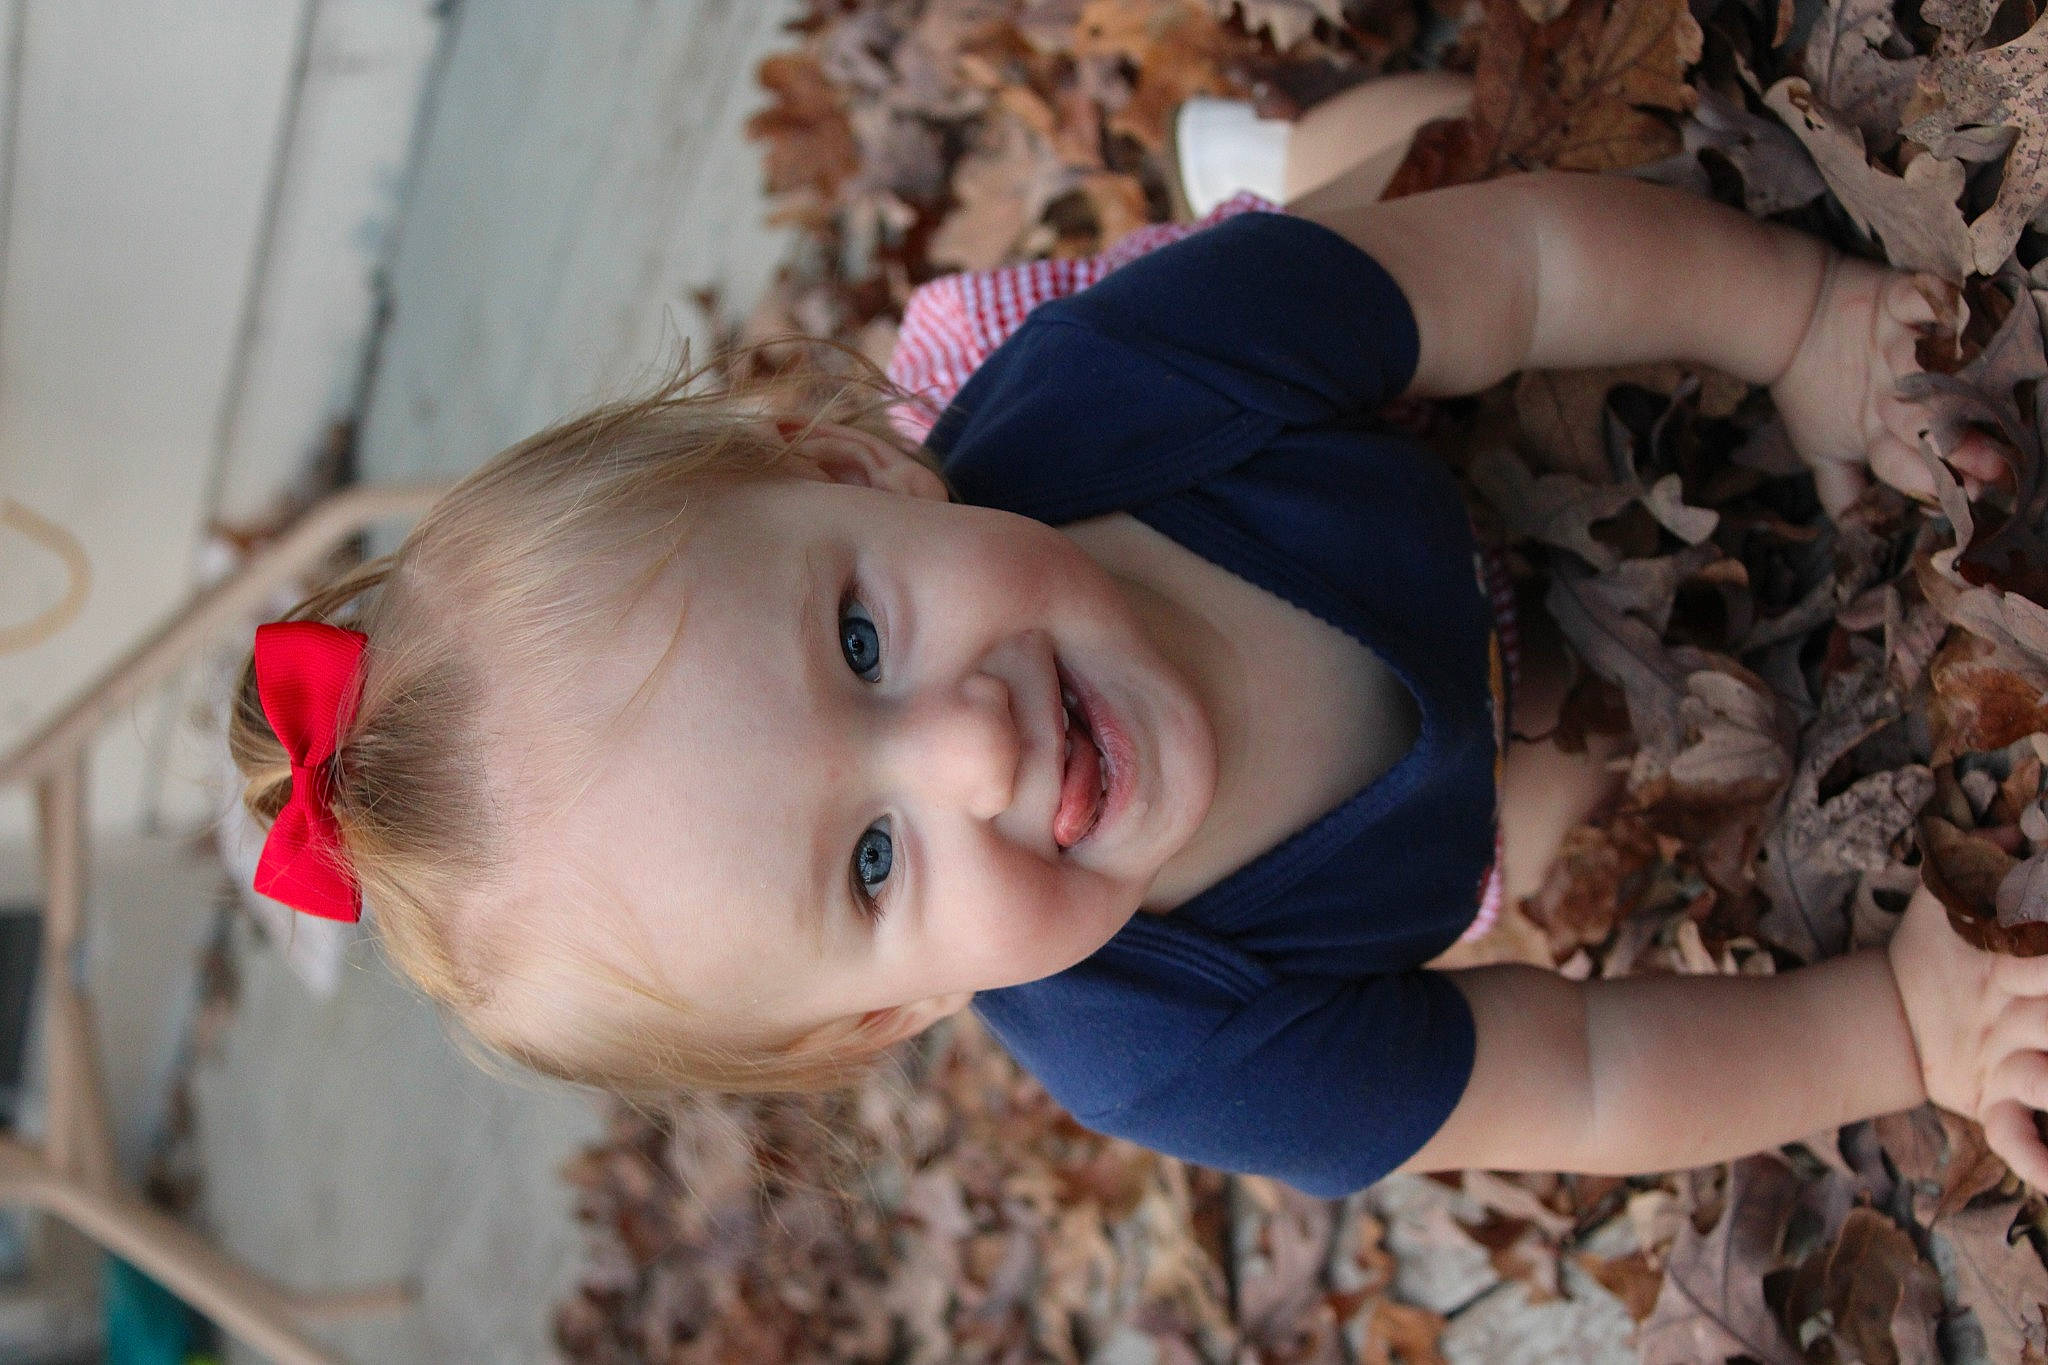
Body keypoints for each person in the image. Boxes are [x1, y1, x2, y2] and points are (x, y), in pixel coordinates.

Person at [228, 75, 2042, 1198]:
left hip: (1319, 435)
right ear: (887, 1012)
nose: (970, 745)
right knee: (1564, 799)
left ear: (851, 469)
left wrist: (1804, 314)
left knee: (1404, 154)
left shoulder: (1125, 389)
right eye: (870, 860)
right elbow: (1579, 1071)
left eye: (859, 639)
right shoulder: (1175, 1047)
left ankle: (1254, 151)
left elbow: (1523, 273)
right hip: (1445, 762)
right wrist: (1897, 1024)